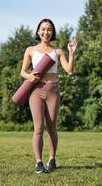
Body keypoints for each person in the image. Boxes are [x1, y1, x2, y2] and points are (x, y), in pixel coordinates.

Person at [20, 18, 78, 173]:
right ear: (38, 31)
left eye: (49, 29)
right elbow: (22, 72)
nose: (46, 32)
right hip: (36, 91)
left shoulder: (57, 51)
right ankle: (39, 163)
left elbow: (69, 70)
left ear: (52, 33)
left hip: (53, 91)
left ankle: (52, 159)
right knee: (38, 128)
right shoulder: (30, 50)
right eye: (43, 29)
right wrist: (29, 77)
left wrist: (72, 53)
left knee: (51, 127)